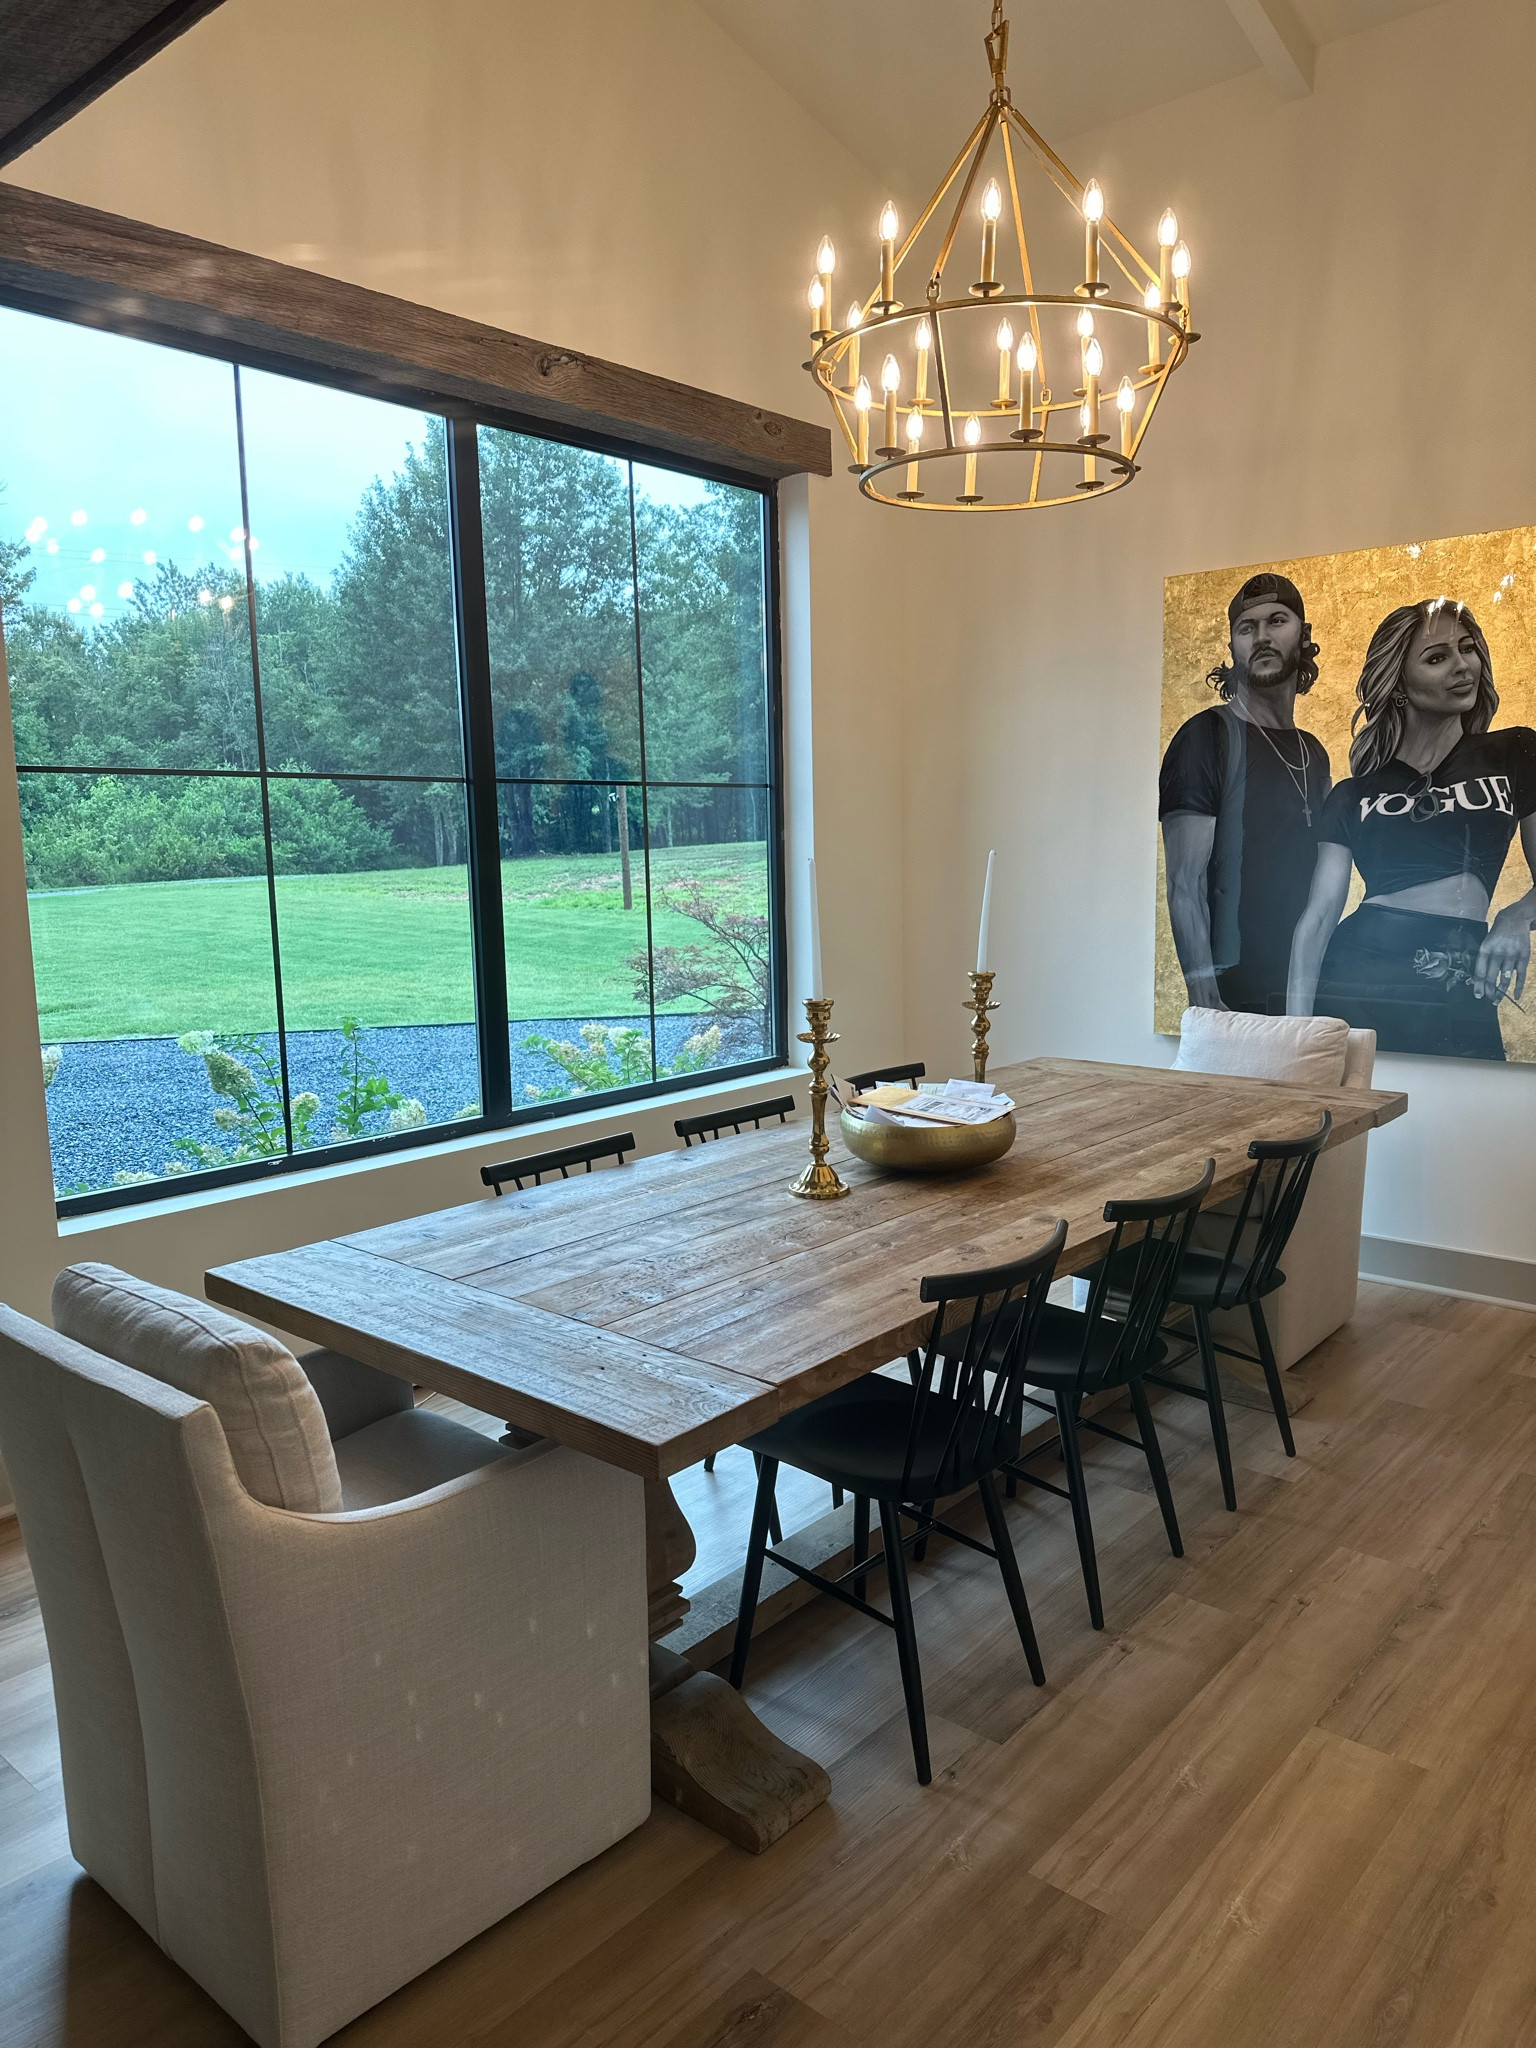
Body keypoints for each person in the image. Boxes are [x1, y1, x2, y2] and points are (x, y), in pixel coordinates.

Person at [1287, 597, 1536, 1059]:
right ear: (1399, 684)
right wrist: (1294, 1041)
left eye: (1467, 649)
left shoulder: (1517, 751)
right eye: (1437, 657)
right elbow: (1319, 917)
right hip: (1356, 973)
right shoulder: (1353, 793)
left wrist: (1515, 917)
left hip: (1459, 977)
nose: (1462, 666)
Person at [1160, 572, 1330, 1013]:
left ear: (1303, 634)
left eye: (1277, 621)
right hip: (1232, 995)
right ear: (1233, 647)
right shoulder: (1207, 736)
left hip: (1298, 993)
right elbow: (1185, 882)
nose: (1262, 637)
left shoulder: (1314, 753)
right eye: (1246, 628)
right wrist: (1203, 994)